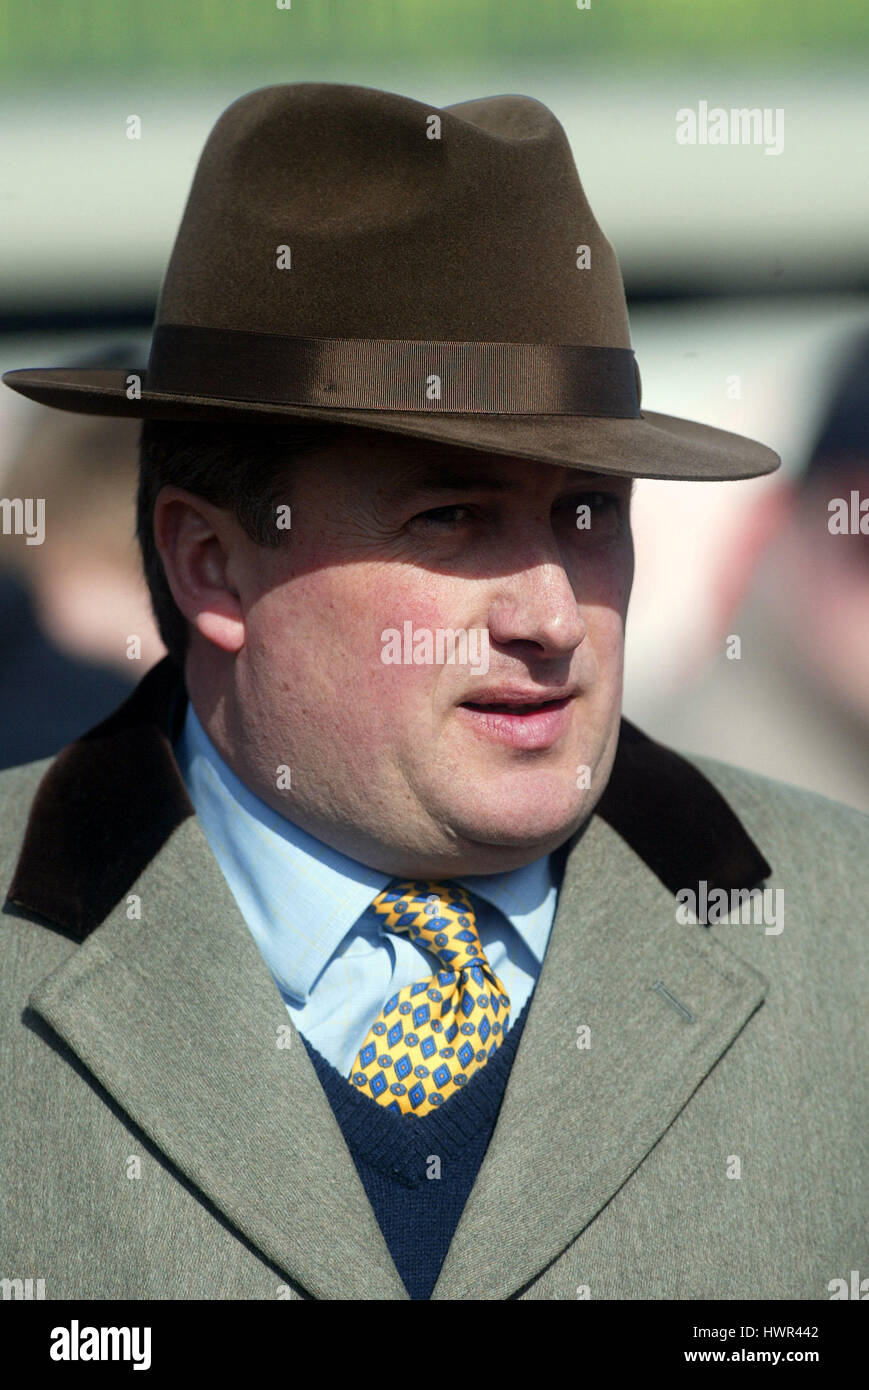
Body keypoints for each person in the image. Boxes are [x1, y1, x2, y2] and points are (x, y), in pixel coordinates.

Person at [1, 82, 865, 1302]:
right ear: (211, 562)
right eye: (451, 516)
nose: (552, 616)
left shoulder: (846, 948)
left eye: (587, 513)